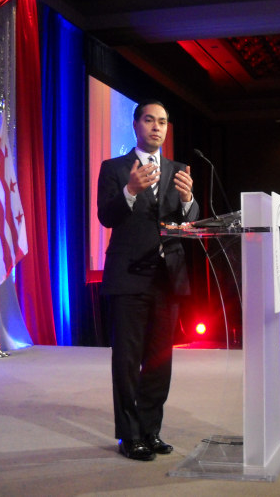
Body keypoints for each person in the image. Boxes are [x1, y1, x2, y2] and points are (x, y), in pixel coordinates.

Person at [97, 99, 200, 461]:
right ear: (136, 124)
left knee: (160, 360)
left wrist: (189, 202)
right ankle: (129, 436)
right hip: (128, 278)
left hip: (166, 279)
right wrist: (130, 191)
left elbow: (189, 220)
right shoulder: (115, 168)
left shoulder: (178, 169)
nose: (157, 127)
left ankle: (150, 430)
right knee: (127, 361)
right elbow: (106, 217)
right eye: (150, 120)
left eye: (163, 122)